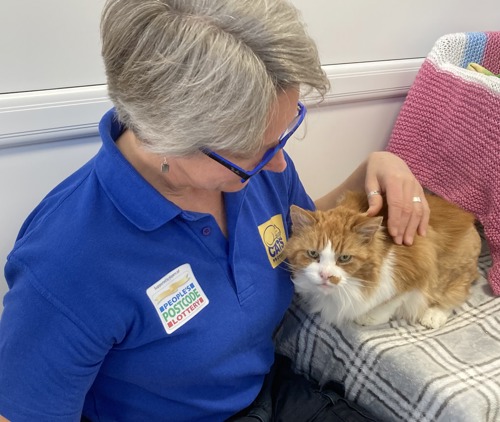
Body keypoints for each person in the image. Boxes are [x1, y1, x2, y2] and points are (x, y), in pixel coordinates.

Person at [0, 0, 429, 421]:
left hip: (267, 393)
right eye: (254, 149)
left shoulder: (253, 169)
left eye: (284, 132)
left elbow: (287, 235)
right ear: (166, 137)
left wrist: (369, 172)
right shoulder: (65, 265)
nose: (278, 164)